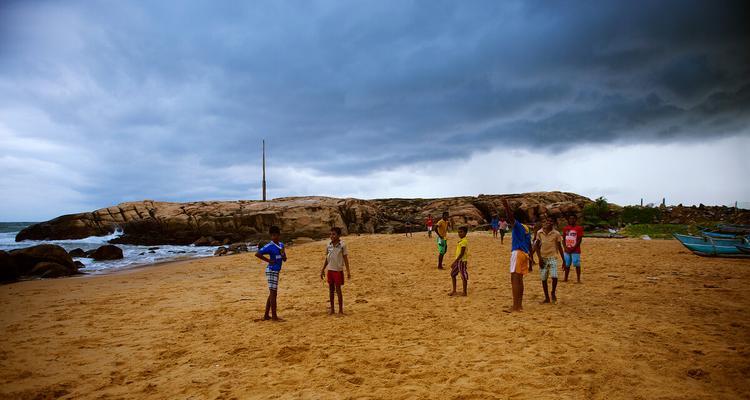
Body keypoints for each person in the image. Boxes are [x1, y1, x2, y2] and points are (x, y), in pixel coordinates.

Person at [502, 199, 534, 312]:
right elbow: (529, 244)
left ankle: (515, 306)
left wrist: (506, 206)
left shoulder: (518, 226)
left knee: (514, 279)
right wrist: (532, 258)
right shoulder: (526, 228)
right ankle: (519, 305)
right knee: (519, 280)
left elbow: (511, 219)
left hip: (518, 252)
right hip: (525, 254)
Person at [254, 226, 287, 321]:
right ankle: (274, 317)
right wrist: (268, 260)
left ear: (279, 235)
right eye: (272, 235)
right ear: (270, 236)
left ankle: (266, 316)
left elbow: (284, 259)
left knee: (272, 293)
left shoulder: (281, 245)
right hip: (271, 270)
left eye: (276, 235)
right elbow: (257, 254)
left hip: (276, 270)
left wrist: (282, 254)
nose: (274, 237)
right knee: (273, 293)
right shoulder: (269, 246)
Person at [320, 227, 351, 315]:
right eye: (331, 234)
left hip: (338, 270)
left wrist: (348, 271)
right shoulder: (328, 245)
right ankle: (332, 309)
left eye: (334, 234)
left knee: (338, 290)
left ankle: (340, 310)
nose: (332, 236)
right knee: (331, 290)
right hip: (330, 270)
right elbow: (327, 258)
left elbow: (345, 259)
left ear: (338, 235)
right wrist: (323, 269)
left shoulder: (342, 245)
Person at [536, 217, 566, 304]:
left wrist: (564, 260)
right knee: (544, 278)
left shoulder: (556, 233)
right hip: (543, 258)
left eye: (551, 221)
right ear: (544, 222)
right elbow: (537, 246)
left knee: (554, 276)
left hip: (553, 257)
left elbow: (560, 247)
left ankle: (553, 292)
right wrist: (539, 258)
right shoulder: (539, 232)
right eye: (547, 221)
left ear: (553, 223)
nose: (549, 223)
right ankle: (546, 297)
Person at [562, 214, 584, 283]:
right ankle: (565, 278)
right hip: (567, 250)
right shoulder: (565, 228)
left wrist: (573, 248)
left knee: (577, 264)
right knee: (567, 264)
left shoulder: (579, 228)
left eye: (573, 219)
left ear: (575, 220)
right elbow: (563, 239)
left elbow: (579, 240)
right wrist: (565, 247)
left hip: (575, 250)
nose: (571, 220)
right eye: (570, 219)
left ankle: (578, 279)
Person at [449, 226, 469, 296]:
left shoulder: (464, 241)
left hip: (462, 261)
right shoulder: (461, 241)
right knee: (453, 274)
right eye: (458, 232)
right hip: (459, 261)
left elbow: (462, 253)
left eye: (461, 232)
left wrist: (455, 261)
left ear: (465, 233)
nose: (459, 233)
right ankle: (454, 290)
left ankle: (464, 292)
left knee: (463, 276)